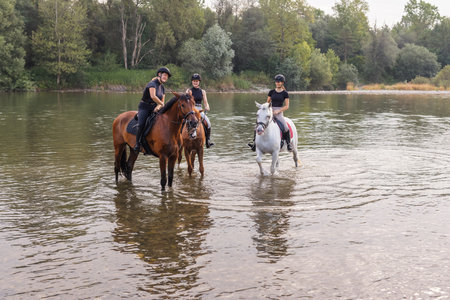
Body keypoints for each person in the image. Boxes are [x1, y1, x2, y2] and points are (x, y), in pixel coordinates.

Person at [248, 74, 293, 151]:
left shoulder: (285, 93)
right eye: (276, 81)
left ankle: (289, 144)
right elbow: (267, 102)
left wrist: (278, 111)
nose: (277, 83)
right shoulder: (271, 92)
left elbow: (287, 106)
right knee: (257, 126)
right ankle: (254, 144)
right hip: (270, 111)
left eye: (279, 82)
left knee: (285, 127)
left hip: (279, 112)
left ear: (282, 82)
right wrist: (266, 109)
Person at [134, 67, 171, 152]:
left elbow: (162, 101)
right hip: (145, 107)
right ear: (159, 74)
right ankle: (137, 143)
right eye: (164, 75)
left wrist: (158, 107)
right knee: (141, 124)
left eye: (167, 76)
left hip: (155, 108)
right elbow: (153, 96)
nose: (166, 77)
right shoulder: (152, 84)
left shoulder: (162, 87)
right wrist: (161, 104)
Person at [186, 73, 214, 148]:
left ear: (199, 82)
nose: (195, 82)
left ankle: (208, 141)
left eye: (197, 81)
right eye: (194, 81)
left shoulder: (203, 91)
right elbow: (186, 102)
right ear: (192, 81)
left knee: (208, 123)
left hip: (199, 110)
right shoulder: (189, 91)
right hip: (191, 109)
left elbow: (205, 102)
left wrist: (207, 107)